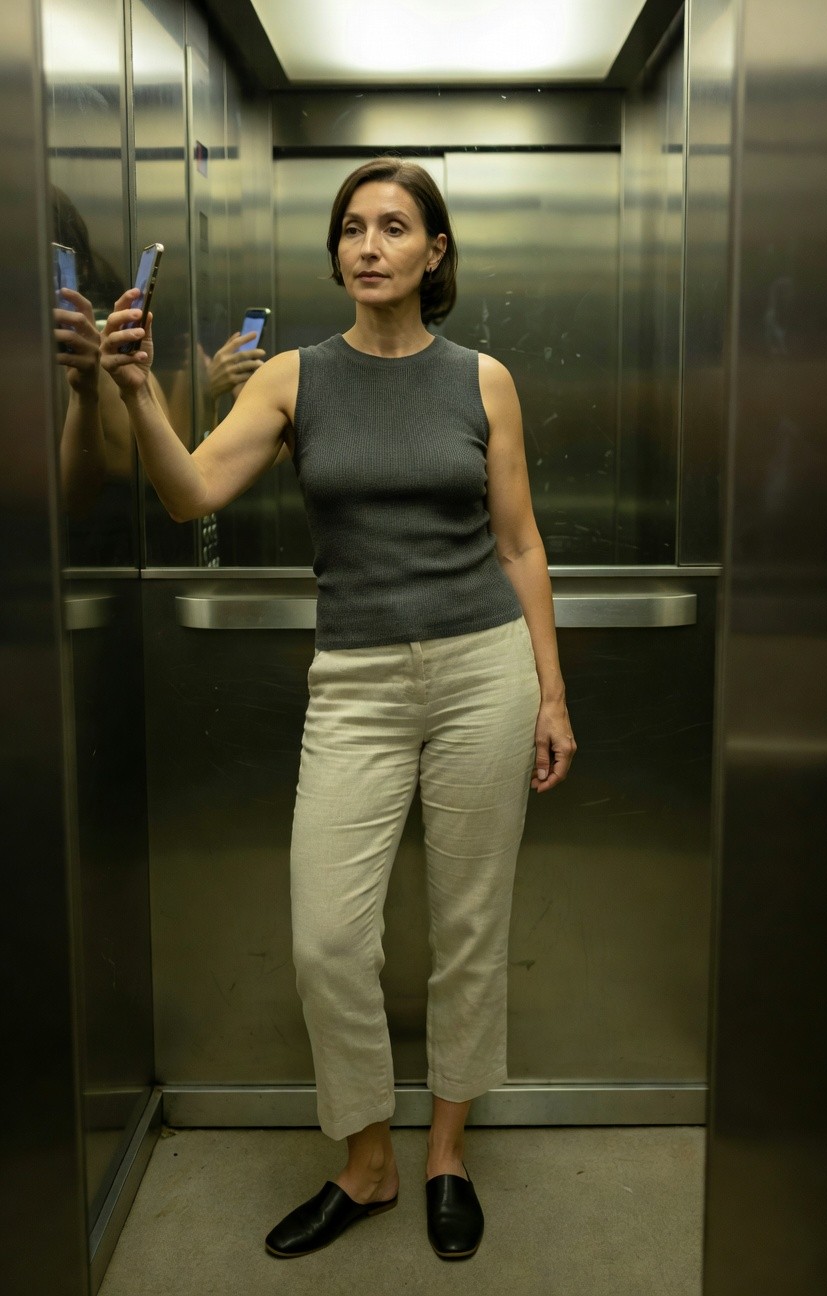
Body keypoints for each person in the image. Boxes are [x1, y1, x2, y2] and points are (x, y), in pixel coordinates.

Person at [101, 157, 576, 1261]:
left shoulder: (485, 380)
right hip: (355, 679)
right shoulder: (294, 380)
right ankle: (366, 1163)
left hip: (483, 670)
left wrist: (551, 692)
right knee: (327, 936)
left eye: (394, 227)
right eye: (352, 228)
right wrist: (133, 391)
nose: (368, 245)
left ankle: (446, 1151)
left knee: (469, 922)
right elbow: (189, 496)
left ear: (434, 253)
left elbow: (520, 542)